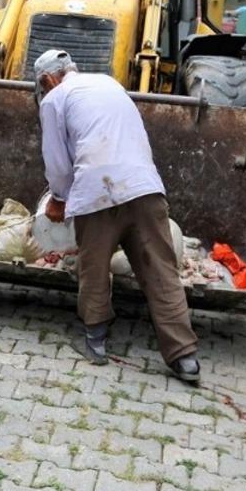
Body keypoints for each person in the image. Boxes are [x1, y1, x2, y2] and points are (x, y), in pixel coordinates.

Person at [35, 49, 201, 385]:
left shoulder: (54, 99)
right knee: (161, 270)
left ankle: (96, 340)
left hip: (97, 190)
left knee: (94, 266)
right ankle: (184, 357)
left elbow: (58, 163)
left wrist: (59, 199)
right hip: (144, 186)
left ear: (47, 79)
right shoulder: (110, 84)